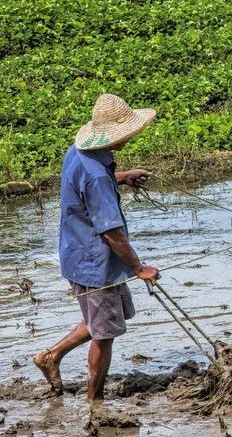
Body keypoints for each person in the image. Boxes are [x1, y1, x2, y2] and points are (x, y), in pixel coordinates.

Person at [33, 93, 160, 401]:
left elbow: (88, 182)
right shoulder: (96, 177)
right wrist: (139, 268)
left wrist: (123, 176)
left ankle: (51, 356)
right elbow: (112, 233)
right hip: (95, 265)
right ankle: (95, 403)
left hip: (77, 253)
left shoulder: (78, 153)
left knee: (98, 320)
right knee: (104, 335)